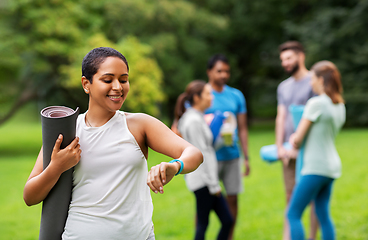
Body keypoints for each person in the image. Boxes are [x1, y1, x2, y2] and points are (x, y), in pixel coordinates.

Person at [23, 47, 203, 240]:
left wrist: (175, 166)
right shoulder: (68, 132)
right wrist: (57, 167)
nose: (118, 87)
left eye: (124, 80)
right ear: (86, 84)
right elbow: (30, 196)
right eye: (108, 80)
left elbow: (194, 154)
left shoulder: (139, 125)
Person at [287, 60, 345, 239]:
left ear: (321, 80)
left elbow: (298, 139)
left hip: (315, 167)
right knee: (322, 214)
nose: (311, 82)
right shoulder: (339, 105)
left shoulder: (316, 103)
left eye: (313, 78)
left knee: (293, 214)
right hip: (331, 167)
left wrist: (293, 138)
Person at [175, 80, 233, 240]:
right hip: (203, 182)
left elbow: (208, 147)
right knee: (206, 223)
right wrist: (214, 186)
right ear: (197, 98)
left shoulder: (197, 118)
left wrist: (224, 136)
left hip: (205, 181)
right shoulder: (193, 121)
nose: (211, 97)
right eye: (208, 94)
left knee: (224, 221)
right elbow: (201, 155)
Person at [276, 41, 318, 240]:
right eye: (282, 59)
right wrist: (279, 147)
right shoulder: (283, 87)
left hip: (311, 151)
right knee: (290, 197)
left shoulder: (315, 81)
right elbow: (281, 117)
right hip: (288, 151)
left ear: (301, 56)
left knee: (312, 199)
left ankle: (311, 237)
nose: (285, 63)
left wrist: (298, 145)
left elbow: (318, 117)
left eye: (289, 58)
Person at [205, 54, 249, 240]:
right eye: (219, 71)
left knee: (233, 198)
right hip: (208, 158)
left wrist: (246, 157)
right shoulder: (202, 94)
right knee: (205, 202)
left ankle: (228, 237)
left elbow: (243, 128)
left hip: (232, 155)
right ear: (209, 72)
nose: (223, 75)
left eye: (226, 71)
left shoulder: (236, 95)